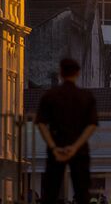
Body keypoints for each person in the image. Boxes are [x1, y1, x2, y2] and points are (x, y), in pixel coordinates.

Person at [35, 59, 98, 204]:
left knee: (50, 192)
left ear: (61, 73)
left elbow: (42, 124)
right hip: (80, 150)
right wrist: (75, 147)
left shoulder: (50, 95)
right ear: (77, 73)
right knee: (82, 192)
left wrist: (54, 147)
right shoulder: (86, 97)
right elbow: (91, 125)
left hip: (56, 147)